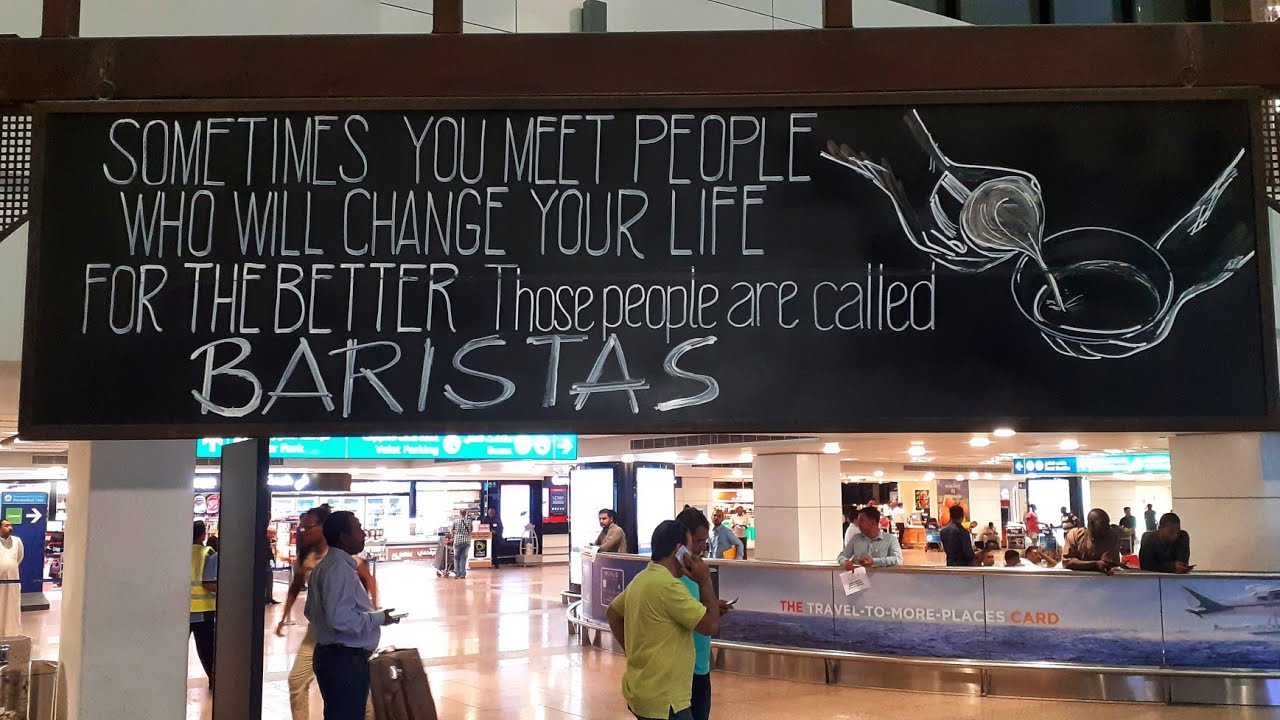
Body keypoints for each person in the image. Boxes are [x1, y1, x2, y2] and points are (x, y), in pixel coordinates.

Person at [606, 520, 722, 720]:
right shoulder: (669, 587)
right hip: (667, 700)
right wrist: (704, 579)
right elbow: (711, 626)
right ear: (678, 550)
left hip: (642, 692)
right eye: (688, 548)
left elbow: (613, 613)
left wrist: (632, 652)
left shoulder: (642, 579)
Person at [277, 506, 378, 720]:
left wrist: (372, 610)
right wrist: (284, 617)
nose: (304, 532)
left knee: (357, 698)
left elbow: (368, 581)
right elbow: (300, 592)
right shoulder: (316, 560)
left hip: (341, 639)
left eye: (309, 528)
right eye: (303, 528)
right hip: (325, 636)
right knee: (299, 681)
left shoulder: (347, 559)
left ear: (323, 528)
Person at [306, 511, 400, 720]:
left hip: (331, 656)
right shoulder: (339, 570)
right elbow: (340, 619)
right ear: (343, 537)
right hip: (345, 661)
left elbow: (310, 611)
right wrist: (379, 618)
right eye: (358, 528)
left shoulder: (324, 567)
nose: (364, 533)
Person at [674, 508, 732, 720]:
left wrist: (714, 606)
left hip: (700, 664)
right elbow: (708, 625)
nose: (702, 547)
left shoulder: (696, 570)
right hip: (682, 669)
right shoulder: (673, 577)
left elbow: (697, 610)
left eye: (704, 541)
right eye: (698, 541)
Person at [189, 520, 218, 689]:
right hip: (204, 610)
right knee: (207, 652)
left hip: (183, 610)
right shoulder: (208, 553)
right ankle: (215, 682)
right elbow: (209, 583)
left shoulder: (180, 552)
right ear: (203, 536)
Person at [836, 506, 903, 569]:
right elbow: (841, 556)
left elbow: (898, 559)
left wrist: (874, 561)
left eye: (861, 520)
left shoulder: (890, 539)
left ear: (873, 522)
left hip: (883, 577)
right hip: (860, 577)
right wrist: (845, 562)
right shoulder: (856, 539)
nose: (858, 524)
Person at [1062, 508, 1122, 574]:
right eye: (1103, 523)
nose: (1108, 526)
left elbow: (1110, 562)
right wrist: (1095, 564)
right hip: (1077, 578)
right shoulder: (1074, 535)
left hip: (1103, 579)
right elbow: (1067, 562)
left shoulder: (1112, 537)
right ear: (1091, 523)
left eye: (1108, 523)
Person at [0, 520, 24, 637]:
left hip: (13, 581)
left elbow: (20, 557)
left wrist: (9, 568)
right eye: (6, 525)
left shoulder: (17, 541)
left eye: (11, 525)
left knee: (12, 608)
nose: (10, 527)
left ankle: (12, 633)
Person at [451, 508, 473, 579]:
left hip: (457, 541)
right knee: (463, 558)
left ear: (459, 513)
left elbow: (452, 529)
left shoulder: (456, 521)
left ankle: (457, 574)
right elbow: (471, 531)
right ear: (466, 513)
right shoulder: (469, 521)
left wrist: (452, 536)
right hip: (466, 541)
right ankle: (462, 574)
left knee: (456, 558)